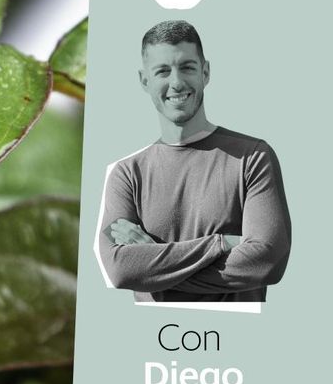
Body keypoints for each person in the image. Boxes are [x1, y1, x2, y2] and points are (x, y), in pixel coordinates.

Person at [97, 20, 291, 302]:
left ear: (206, 72)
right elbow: (120, 271)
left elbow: (268, 263)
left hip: (235, 340)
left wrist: (153, 264)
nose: (176, 83)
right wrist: (221, 244)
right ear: (144, 80)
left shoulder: (253, 156)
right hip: (149, 340)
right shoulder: (126, 173)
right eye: (162, 71)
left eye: (187, 67)